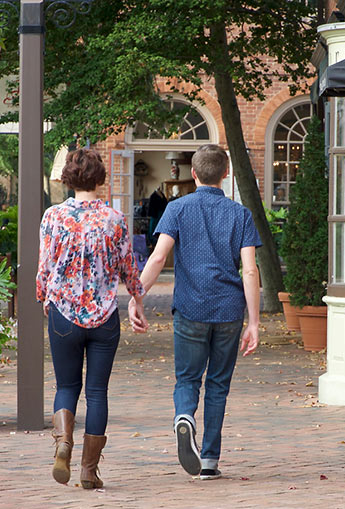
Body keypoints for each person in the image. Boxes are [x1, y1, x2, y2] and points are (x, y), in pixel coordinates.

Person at [128, 144, 261, 481]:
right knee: (218, 384)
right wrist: (255, 322)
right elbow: (249, 270)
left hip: (190, 307)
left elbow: (157, 258)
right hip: (229, 311)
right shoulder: (240, 214)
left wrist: (136, 296)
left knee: (187, 378)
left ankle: (184, 415)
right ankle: (209, 459)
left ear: (195, 174)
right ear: (226, 174)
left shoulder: (178, 208)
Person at [37, 148, 145, 489]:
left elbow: (44, 267)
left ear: (68, 178)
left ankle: (63, 441)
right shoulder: (114, 219)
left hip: (63, 314)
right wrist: (137, 301)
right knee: (97, 391)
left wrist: (45, 297)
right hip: (103, 316)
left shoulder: (53, 217)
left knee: (66, 386)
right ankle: (88, 471)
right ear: (100, 178)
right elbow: (129, 267)